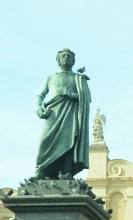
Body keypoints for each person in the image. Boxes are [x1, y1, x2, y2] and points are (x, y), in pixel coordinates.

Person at [34, 48, 91, 179]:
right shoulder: (50, 78)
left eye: (69, 56)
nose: (66, 58)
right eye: (63, 56)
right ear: (58, 60)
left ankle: (66, 173)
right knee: (45, 142)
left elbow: (86, 98)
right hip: (52, 115)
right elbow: (39, 95)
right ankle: (40, 171)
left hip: (71, 116)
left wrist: (69, 94)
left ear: (73, 61)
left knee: (70, 142)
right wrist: (39, 109)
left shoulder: (78, 78)